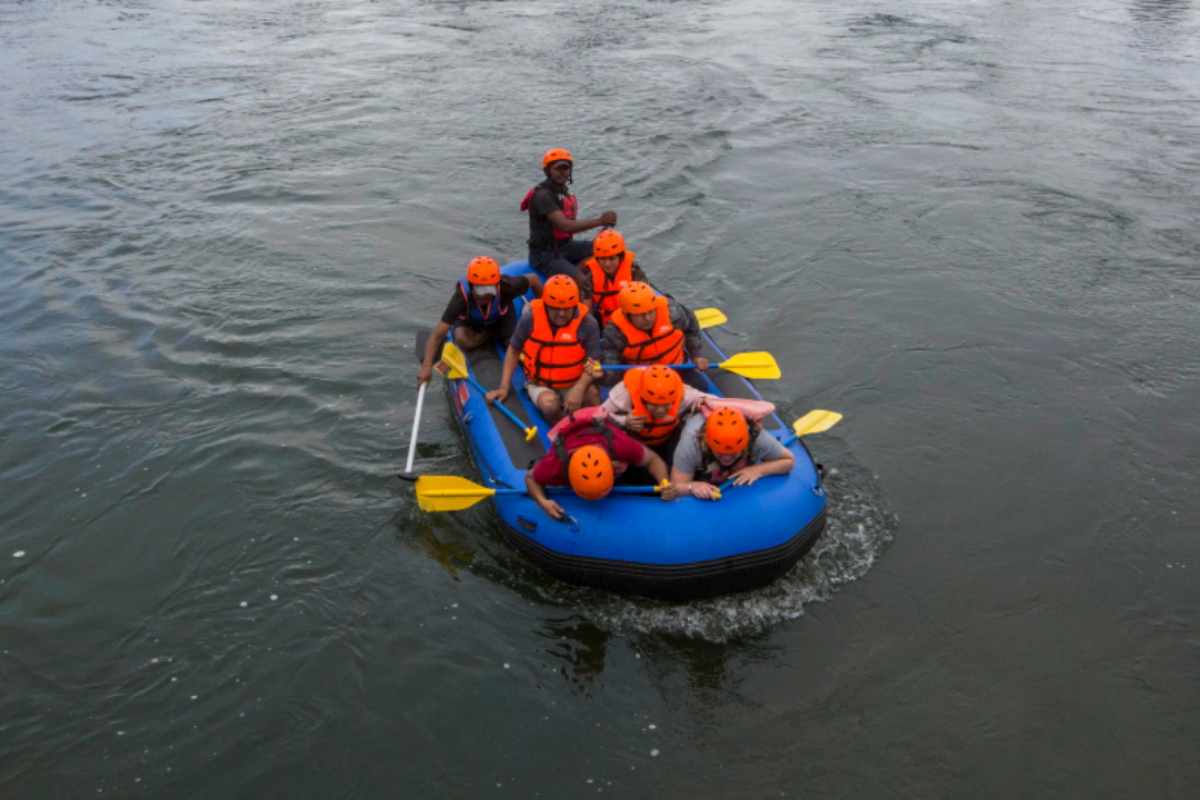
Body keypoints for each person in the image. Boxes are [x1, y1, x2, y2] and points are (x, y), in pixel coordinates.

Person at [486, 274, 603, 422]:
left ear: (574, 306)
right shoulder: (530, 318)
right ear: (546, 304)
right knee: (549, 405)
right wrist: (504, 387)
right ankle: (563, 431)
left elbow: (595, 363)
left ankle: (599, 429)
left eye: (567, 309)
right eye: (555, 308)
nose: (561, 314)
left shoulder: (588, 324)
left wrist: (579, 388)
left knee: (592, 395)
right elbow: (514, 350)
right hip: (540, 383)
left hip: (574, 381)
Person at [525, 411, 678, 520]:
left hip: (601, 431)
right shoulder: (555, 464)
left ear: (611, 467)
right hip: (570, 434)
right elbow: (531, 477)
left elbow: (653, 460)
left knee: (636, 469)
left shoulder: (620, 445)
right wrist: (543, 502)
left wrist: (664, 482)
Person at [418, 257, 542, 384]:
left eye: (490, 290)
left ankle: (497, 336)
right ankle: (489, 336)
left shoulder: (507, 286)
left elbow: (533, 279)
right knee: (462, 339)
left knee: (515, 345)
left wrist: (542, 308)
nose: (484, 295)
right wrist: (426, 367)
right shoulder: (461, 298)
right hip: (471, 323)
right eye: (480, 290)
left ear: (497, 285)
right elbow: (437, 335)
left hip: (501, 318)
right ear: (471, 286)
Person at [522, 147, 617, 282]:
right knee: (583, 281)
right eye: (557, 169)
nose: (562, 173)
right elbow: (565, 226)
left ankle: (578, 268)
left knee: (607, 250)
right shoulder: (542, 195)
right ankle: (577, 280)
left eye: (565, 168)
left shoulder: (563, 192)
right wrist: (600, 221)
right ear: (548, 171)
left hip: (565, 247)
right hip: (544, 255)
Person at [670, 407, 795, 500]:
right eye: (721, 452)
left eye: (733, 452)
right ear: (708, 442)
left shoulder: (755, 436)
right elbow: (676, 486)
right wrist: (692, 486)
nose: (727, 458)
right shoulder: (691, 442)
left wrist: (758, 470)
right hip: (698, 460)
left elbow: (788, 461)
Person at [600, 365, 714, 459]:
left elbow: (715, 401)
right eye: (654, 404)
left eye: (666, 405)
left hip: (667, 441)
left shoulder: (685, 394)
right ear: (643, 398)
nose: (660, 410)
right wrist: (624, 421)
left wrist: (702, 400)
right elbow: (596, 415)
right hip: (632, 442)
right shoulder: (624, 393)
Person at [601, 281, 709, 373]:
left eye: (651, 311)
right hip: (642, 377)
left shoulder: (673, 312)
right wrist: (604, 375)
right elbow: (612, 367)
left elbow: (691, 328)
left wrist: (696, 355)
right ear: (627, 315)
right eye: (640, 314)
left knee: (702, 391)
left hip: (678, 368)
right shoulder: (615, 332)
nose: (648, 318)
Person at [577, 228, 650, 326]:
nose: (607, 264)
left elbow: (644, 299)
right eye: (603, 259)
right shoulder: (589, 274)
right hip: (604, 320)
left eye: (612, 259)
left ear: (621, 257)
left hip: (630, 317)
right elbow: (587, 307)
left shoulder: (633, 270)